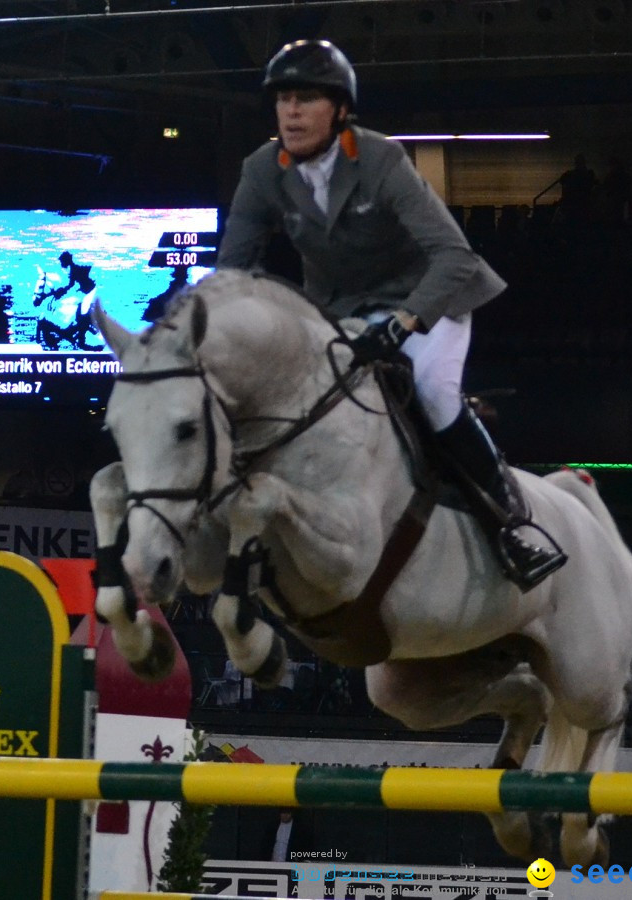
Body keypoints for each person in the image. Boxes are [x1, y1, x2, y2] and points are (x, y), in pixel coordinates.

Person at [217, 39, 566, 591]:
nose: (290, 111)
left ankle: (511, 524)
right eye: (283, 99)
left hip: (430, 298)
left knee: (431, 390)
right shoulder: (262, 170)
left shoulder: (380, 159)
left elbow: (454, 256)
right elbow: (232, 271)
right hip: (342, 314)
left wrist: (404, 322)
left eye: (306, 98)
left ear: (340, 110)